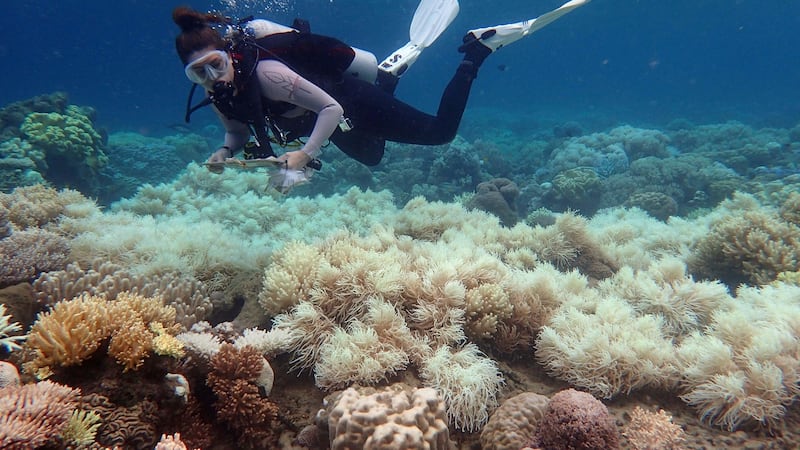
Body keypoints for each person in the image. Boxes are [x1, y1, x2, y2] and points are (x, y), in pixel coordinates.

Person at [172, 1, 587, 190]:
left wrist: (305, 154)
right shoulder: (223, 95)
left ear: (228, 54)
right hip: (328, 121)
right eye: (198, 72)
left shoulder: (268, 74)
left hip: (345, 102)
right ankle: (386, 77)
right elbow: (237, 133)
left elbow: (330, 107)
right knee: (372, 157)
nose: (211, 76)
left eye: (215, 63)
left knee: (440, 133)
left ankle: (476, 52)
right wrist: (224, 153)